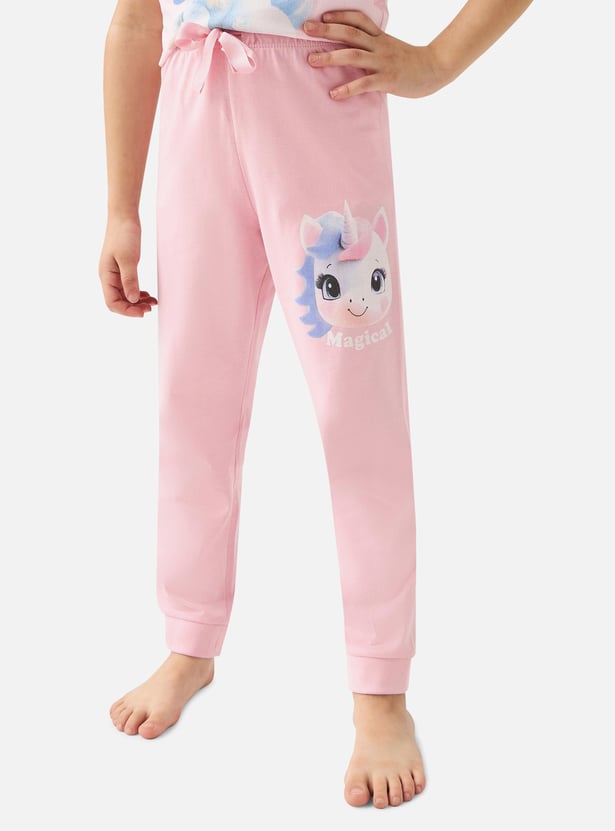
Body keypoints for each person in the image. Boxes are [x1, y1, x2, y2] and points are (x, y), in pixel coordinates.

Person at [100, 0, 533, 810]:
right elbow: (133, 20)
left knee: (356, 410)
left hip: (320, 99)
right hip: (195, 103)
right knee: (192, 398)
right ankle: (190, 637)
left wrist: (435, 62)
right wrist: (121, 207)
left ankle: (380, 686)